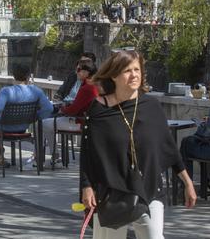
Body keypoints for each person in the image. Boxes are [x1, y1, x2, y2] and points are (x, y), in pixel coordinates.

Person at [81, 50, 196, 238]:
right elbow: (88, 152)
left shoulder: (151, 107)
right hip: (112, 190)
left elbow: (168, 148)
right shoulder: (99, 108)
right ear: (114, 76)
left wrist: (187, 182)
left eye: (137, 69)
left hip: (149, 187)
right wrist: (86, 187)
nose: (134, 75)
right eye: (127, 71)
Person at [0, 63, 53, 170]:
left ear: (14, 76)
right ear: (28, 76)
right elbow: (49, 109)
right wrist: (35, 117)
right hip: (23, 128)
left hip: (3, 129)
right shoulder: (36, 91)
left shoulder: (7, 91)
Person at [42, 60, 98, 160]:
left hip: (80, 122)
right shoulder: (96, 85)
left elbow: (72, 110)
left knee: (43, 124)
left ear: (86, 72)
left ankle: (51, 157)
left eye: (79, 69)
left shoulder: (87, 88)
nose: (76, 72)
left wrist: (61, 109)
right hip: (90, 122)